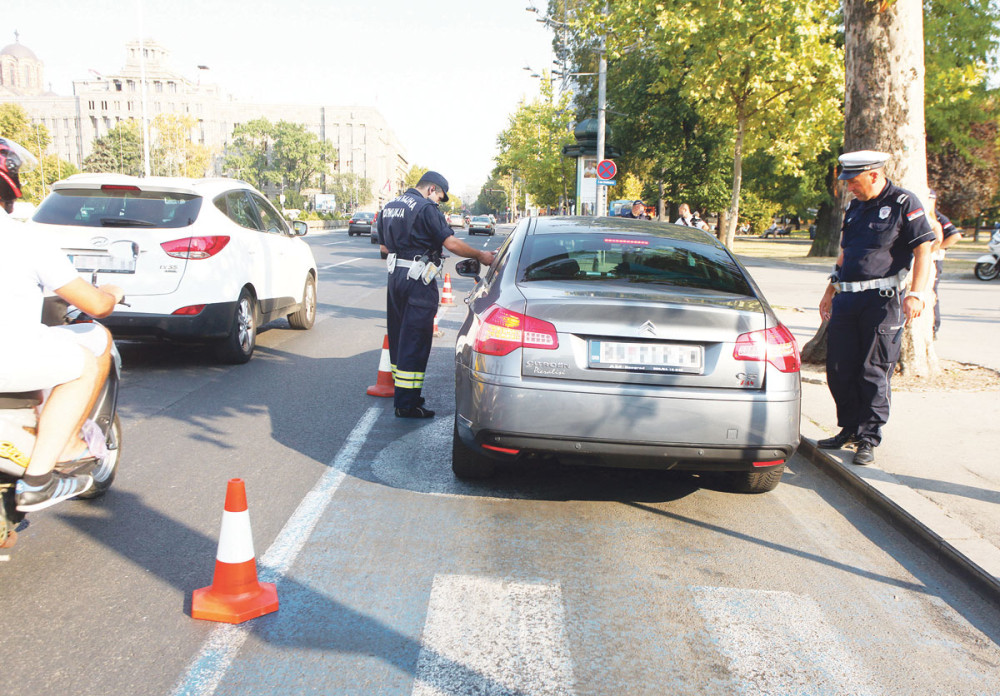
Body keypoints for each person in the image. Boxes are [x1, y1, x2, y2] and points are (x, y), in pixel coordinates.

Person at [0, 172, 125, 511]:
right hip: (8, 360)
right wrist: (113, 292)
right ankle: (42, 476)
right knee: (86, 356)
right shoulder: (22, 239)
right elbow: (96, 306)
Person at [817, 150, 935, 465]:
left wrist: (917, 293)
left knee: (872, 370)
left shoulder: (904, 203)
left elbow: (924, 251)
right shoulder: (854, 207)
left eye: (853, 181)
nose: (849, 188)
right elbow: (845, 254)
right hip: (847, 298)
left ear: (874, 175)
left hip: (881, 301)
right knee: (839, 368)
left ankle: (868, 438)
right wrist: (830, 290)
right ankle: (849, 428)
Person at [377, 171, 495, 418]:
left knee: (399, 336)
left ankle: (402, 395)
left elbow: (384, 247)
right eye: (440, 197)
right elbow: (450, 244)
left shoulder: (390, 205)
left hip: (395, 278)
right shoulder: (426, 208)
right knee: (416, 339)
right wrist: (480, 255)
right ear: (432, 190)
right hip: (417, 280)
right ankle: (408, 404)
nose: (439, 202)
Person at [926, 190, 962, 337]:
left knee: (932, 293)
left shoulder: (936, 216)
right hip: (925, 260)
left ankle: (934, 327)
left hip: (934, 259)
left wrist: (935, 249)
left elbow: (955, 235)